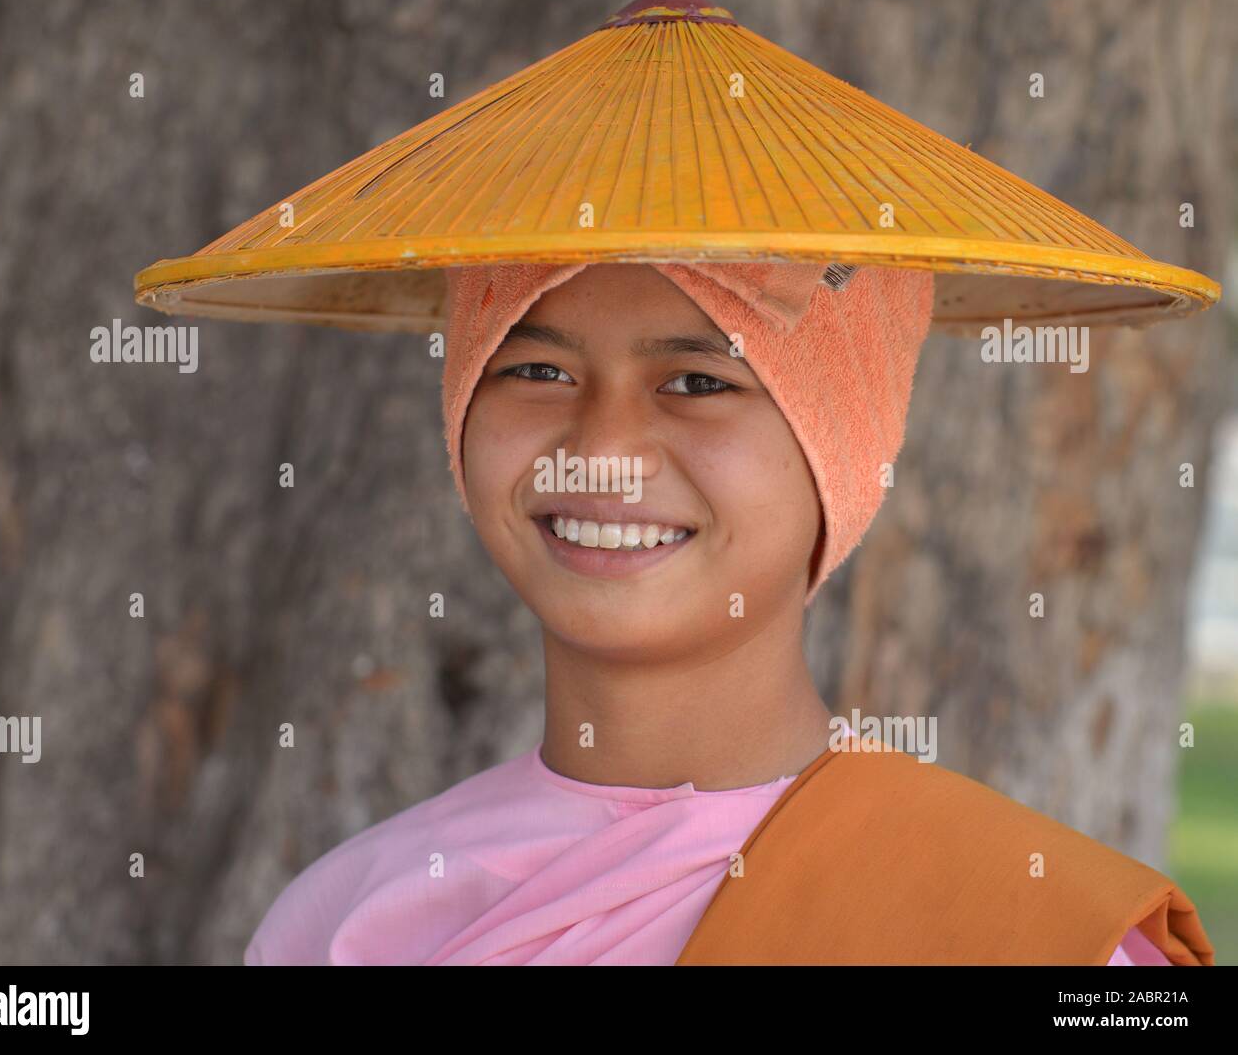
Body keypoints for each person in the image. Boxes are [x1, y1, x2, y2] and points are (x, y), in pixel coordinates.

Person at [243, 260, 1212, 965]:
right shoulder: (345, 921)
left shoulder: (1039, 933)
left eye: (700, 381)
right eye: (535, 371)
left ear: (842, 449)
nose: (604, 449)